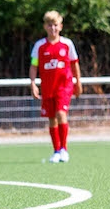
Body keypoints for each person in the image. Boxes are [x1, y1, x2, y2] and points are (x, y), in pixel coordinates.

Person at [29, 9, 82, 163]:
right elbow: (34, 66)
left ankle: (64, 149)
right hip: (47, 87)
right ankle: (56, 150)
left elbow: (74, 64)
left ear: (61, 26)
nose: (53, 28)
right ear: (45, 26)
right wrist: (33, 83)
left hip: (64, 86)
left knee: (60, 113)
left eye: (55, 25)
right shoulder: (39, 46)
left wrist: (78, 82)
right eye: (50, 25)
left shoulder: (67, 44)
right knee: (52, 118)